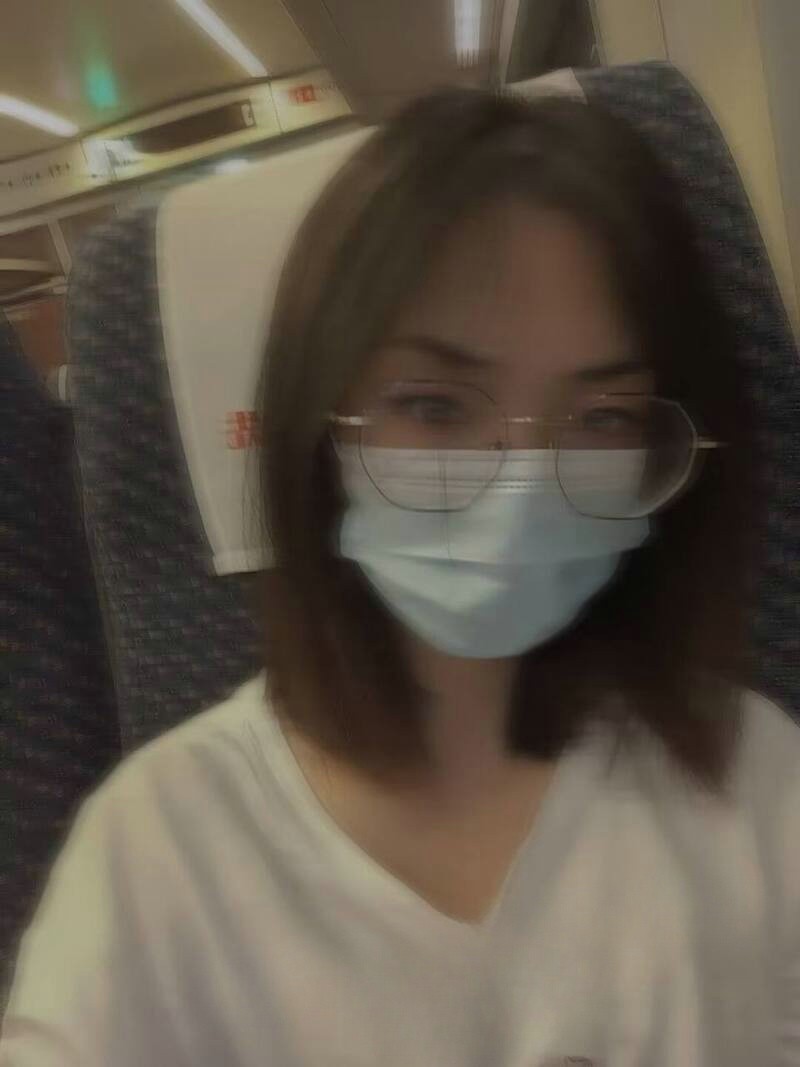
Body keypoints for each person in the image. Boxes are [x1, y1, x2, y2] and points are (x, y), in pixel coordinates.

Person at [2, 87, 798, 1067]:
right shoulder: (158, 846)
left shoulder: (754, 780)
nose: (518, 492)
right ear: (317, 424)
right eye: (433, 405)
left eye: (602, 419)